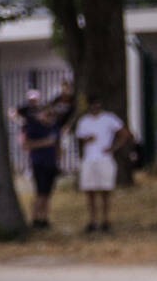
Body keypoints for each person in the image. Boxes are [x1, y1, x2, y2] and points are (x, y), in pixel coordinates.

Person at [14, 81, 74, 229]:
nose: (49, 115)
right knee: (39, 193)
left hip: (51, 163)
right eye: (46, 112)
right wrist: (45, 143)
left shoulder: (54, 126)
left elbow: (58, 144)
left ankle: (44, 219)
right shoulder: (33, 126)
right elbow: (26, 145)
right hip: (38, 162)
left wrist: (58, 159)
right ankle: (35, 219)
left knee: (47, 193)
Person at [72, 93, 131, 233]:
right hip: (89, 159)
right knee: (89, 191)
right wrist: (87, 139)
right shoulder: (84, 121)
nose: (95, 107)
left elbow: (124, 133)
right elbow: (80, 139)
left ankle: (106, 220)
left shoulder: (109, 118)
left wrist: (113, 147)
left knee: (105, 190)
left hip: (105, 158)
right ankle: (92, 220)